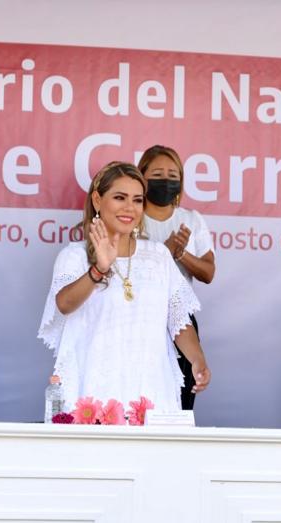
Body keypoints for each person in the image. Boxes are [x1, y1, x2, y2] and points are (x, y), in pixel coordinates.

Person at [38, 161, 210, 414]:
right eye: (120, 197)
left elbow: (178, 318)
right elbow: (64, 304)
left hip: (151, 391)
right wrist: (98, 269)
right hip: (94, 392)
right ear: (98, 200)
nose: (130, 207)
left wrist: (197, 359)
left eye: (138, 200)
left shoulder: (159, 256)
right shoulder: (75, 256)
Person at [138, 145, 215, 411]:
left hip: (180, 319)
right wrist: (164, 252)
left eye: (173, 175)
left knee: (179, 402)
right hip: (139, 316)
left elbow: (208, 273)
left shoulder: (191, 219)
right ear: (142, 177)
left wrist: (181, 254)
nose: (166, 181)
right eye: (157, 174)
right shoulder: (131, 217)